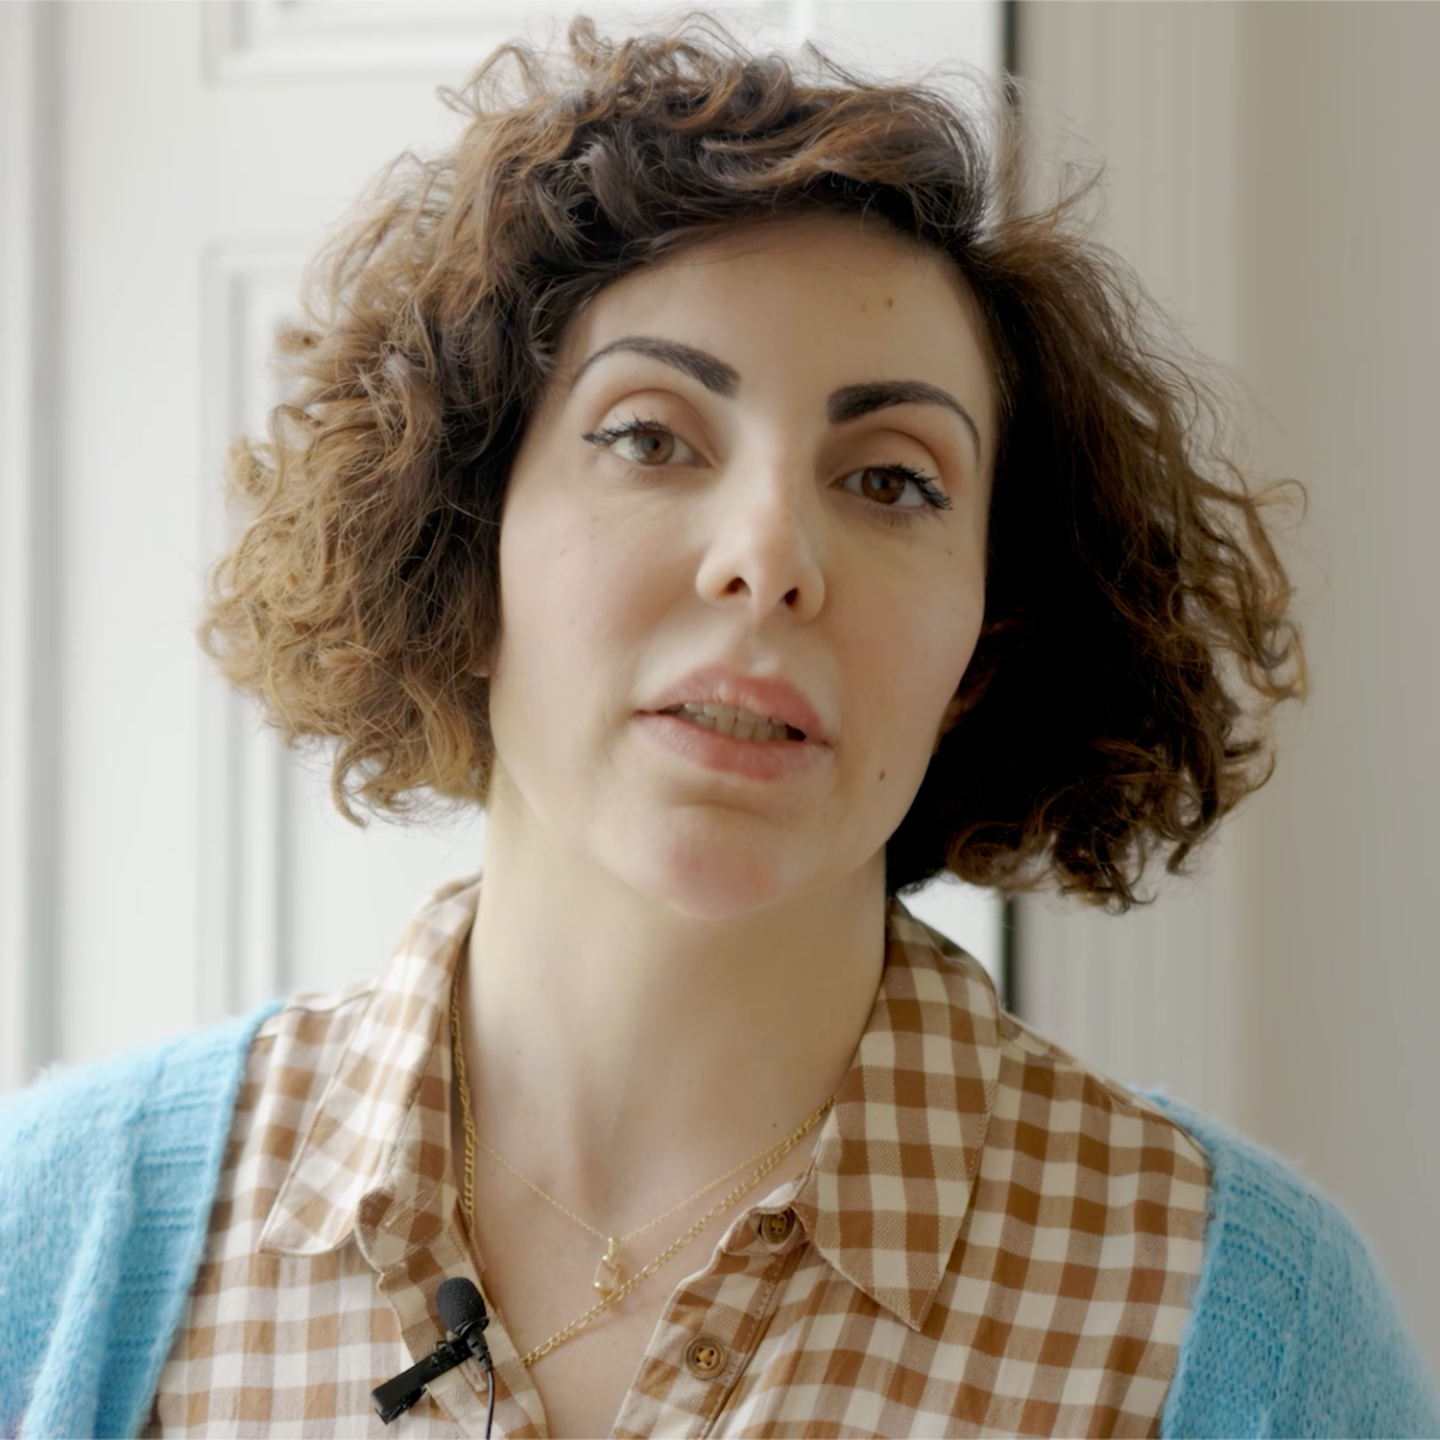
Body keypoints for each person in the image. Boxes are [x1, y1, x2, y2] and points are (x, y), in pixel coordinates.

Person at [2, 15, 1436, 1439]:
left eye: (891, 481)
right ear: (463, 542)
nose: (770, 555)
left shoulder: (1246, 1332)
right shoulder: (62, 1238)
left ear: (983, 650)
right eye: (650, 436)